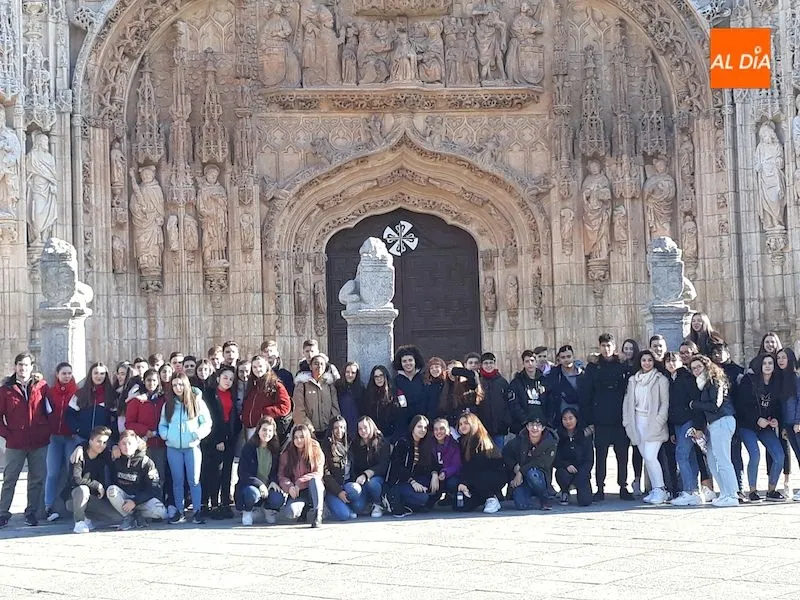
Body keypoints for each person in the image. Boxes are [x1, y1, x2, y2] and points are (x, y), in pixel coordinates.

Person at [579, 333, 633, 501]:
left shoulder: (623, 365)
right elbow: (586, 394)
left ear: (614, 347)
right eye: (603, 346)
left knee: (622, 455)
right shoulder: (593, 367)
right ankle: (600, 487)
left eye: (609, 345)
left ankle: (623, 486)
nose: (606, 349)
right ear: (599, 347)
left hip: (619, 418)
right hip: (600, 418)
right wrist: (588, 420)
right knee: (600, 455)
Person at [0, 353, 51, 527]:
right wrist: (7, 433)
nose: (23, 368)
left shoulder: (42, 386)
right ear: (15, 366)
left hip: (38, 440)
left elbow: (50, 411)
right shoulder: (6, 389)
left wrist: (47, 431)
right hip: (16, 441)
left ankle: (32, 512)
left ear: (32, 367)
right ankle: (3, 513)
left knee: (37, 478)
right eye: (20, 365)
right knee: (10, 478)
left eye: (26, 365)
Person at [158, 373, 213, 524]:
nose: (178, 388)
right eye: (174, 385)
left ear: (186, 385)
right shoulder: (168, 404)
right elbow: (162, 424)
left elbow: (206, 422)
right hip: (173, 448)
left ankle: (196, 511)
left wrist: (198, 434)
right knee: (177, 480)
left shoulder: (196, 402)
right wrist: (166, 435)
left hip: (192, 447)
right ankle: (179, 511)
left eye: (180, 384)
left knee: (194, 480)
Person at [687, 355, 739, 507]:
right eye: (693, 368)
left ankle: (732, 495)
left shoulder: (715, 380)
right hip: (714, 424)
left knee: (723, 459)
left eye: (698, 367)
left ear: (706, 366)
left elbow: (715, 405)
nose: (696, 370)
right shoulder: (702, 383)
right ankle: (724, 493)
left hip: (723, 420)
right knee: (711, 460)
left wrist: (694, 404)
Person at [735, 353, 786, 501]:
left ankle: (772, 490)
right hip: (747, 425)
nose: (768, 366)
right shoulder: (748, 380)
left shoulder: (776, 383)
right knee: (755, 455)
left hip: (766, 426)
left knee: (779, 455)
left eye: (771, 363)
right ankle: (752, 491)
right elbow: (741, 405)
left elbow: (777, 406)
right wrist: (757, 419)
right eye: (765, 363)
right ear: (760, 365)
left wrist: (775, 419)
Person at [622, 350, 670, 505]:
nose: (647, 363)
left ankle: (662, 489)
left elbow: (665, 404)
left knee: (651, 456)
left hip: (654, 423)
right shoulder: (633, 380)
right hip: (637, 422)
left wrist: (659, 421)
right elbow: (627, 401)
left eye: (650, 360)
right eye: (644, 360)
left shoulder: (660, 379)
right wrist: (627, 422)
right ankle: (656, 489)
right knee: (646, 458)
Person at [664, 352, 703, 506]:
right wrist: (673, 431)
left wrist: (698, 426)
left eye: (674, 360)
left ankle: (688, 491)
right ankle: (693, 490)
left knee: (681, 455)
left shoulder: (686, 378)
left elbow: (695, 403)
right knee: (690, 456)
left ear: (680, 362)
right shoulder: (670, 379)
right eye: (668, 361)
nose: (671, 363)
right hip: (678, 423)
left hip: (689, 421)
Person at [107, 430, 167, 529]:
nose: (127, 447)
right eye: (123, 444)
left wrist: (135, 501)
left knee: (161, 512)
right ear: (119, 445)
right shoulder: (115, 457)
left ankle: (136, 514)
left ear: (136, 444)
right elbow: (99, 447)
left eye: (130, 443)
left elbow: (154, 487)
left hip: (140, 500)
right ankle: (130, 517)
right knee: (111, 490)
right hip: (123, 498)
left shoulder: (146, 462)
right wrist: (113, 447)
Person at [64, 425, 119, 533]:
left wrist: (115, 446)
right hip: (74, 496)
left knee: (117, 518)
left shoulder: (104, 454)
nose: (101, 445)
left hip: (94, 498)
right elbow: (76, 480)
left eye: (104, 442)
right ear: (90, 441)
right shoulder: (79, 455)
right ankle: (79, 522)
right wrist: (97, 485)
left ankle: (88, 518)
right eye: (99, 441)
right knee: (83, 489)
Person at [709, 339, 746, 499]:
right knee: (720, 455)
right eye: (714, 353)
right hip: (720, 416)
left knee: (735, 453)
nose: (717, 355)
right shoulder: (711, 372)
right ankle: (727, 489)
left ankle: (739, 487)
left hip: (734, 415)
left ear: (728, 353)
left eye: (720, 351)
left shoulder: (737, 371)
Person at [201, 366, 238, 519]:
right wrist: (217, 440)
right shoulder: (209, 395)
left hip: (229, 439)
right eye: (225, 378)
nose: (227, 381)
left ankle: (225, 504)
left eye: (230, 379)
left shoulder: (232, 395)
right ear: (217, 378)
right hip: (214, 440)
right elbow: (211, 418)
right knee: (214, 473)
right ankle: (213, 504)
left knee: (227, 473)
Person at [124, 369, 167, 500]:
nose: (151, 383)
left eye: (154, 380)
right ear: (144, 381)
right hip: (142, 444)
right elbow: (129, 423)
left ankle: (159, 504)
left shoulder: (163, 399)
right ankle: (142, 505)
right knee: (143, 476)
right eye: (148, 380)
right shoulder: (137, 400)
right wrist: (144, 431)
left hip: (160, 444)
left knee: (159, 475)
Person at [235, 416, 285, 526]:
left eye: (270, 430)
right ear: (258, 430)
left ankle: (267, 509)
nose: (267, 433)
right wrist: (259, 484)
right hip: (250, 486)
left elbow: (277, 470)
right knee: (252, 494)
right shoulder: (249, 448)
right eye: (264, 430)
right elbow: (243, 473)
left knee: (278, 498)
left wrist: (273, 480)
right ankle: (248, 511)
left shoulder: (275, 449)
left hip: (268, 486)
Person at [44, 362, 79, 521]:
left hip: (70, 437)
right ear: (57, 374)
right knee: (53, 473)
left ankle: (74, 505)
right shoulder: (50, 392)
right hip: (54, 438)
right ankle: (48, 506)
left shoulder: (77, 392)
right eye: (63, 373)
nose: (67, 376)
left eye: (69, 373)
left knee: (71, 471)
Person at [455, 412, 506, 513]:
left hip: (492, 477)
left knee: (477, 477)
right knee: (460, 506)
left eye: (466, 423)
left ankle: (491, 498)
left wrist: (463, 482)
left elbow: (475, 466)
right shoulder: (462, 441)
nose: (462, 426)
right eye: (460, 424)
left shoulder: (480, 440)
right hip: (474, 479)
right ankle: (481, 498)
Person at [503, 416, 558, 511]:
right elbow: (505, 454)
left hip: (539, 477)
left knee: (532, 474)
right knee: (521, 504)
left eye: (538, 425)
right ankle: (535, 503)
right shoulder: (519, 440)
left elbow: (543, 463)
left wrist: (521, 471)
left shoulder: (550, 442)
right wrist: (514, 466)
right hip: (522, 480)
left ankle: (544, 498)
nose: (535, 428)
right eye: (531, 425)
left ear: (543, 428)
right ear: (527, 427)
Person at [386, 415, 436, 517]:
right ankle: (394, 499)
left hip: (417, 478)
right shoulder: (403, 442)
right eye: (419, 426)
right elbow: (397, 467)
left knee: (435, 486)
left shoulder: (425, 443)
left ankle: (410, 505)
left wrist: (434, 474)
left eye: (425, 427)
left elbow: (432, 464)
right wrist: (412, 482)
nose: (422, 430)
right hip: (401, 481)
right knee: (423, 498)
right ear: (413, 427)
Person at [278, 424, 325, 528]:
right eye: (296, 437)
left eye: (302, 437)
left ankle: (318, 514)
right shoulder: (287, 452)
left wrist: (299, 482)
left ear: (307, 437)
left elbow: (319, 472)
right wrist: (289, 486)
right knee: (290, 513)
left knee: (315, 480)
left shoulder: (315, 448)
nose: (299, 440)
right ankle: (304, 509)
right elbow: (282, 475)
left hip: (313, 488)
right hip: (297, 491)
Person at [242, 356, 292, 442]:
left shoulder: (275, 385)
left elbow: (285, 407)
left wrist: (264, 413)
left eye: (260, 366)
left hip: (266, 430)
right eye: (254, 367)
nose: (257, 369)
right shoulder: (252, 385)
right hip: (249, 429)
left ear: (266, 367)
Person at [351, 416, 390, 518]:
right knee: (358, 507)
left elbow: (383, 466)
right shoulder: (355, 444)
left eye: (365, 427)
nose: (363, 431)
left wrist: (366, 474)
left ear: (371, 427)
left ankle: (378, 504)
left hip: (378, 479)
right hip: (361, 482)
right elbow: (354, 466)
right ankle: (368, 502)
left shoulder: (382, 442)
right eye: (360, 429)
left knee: (372, 483)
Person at [321, 416, 359, 521]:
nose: (339, 431)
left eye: (342, 427)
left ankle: (350, 505)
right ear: (331, 429)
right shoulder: (326, 447)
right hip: (332, 489)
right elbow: (325, 473)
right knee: (345, 515)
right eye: (336, 428)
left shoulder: (350, 444)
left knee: (356, 492)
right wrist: (338, 492)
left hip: (347, 484)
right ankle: (331, 506)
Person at [554, 407, 593, 507]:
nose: (568, 421)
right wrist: (566, 465)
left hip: (581, 470)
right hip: (566, 470)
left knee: (585, 501)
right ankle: (565, 491)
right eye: (565, 419)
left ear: (576, 419)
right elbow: (556, 457)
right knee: (561, 473)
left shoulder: (585, 435)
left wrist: (582, 472)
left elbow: (589, 459)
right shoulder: (558, 435)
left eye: (571, 418)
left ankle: (578, 486)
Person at [293, 354, 340, 436]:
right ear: (310, 366)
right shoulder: (302, 385)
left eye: (322, 364)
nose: (319, 366)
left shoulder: (329, 385)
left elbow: (335, 408)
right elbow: (298, 411)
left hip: (327, 432)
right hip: (309, 432)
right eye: (316, 363)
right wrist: (310, 430)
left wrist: (331, 428)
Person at [67, 362, 114, 444]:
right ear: (91, 375)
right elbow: (70, 414)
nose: (99, 376)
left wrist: (108, 432)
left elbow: (115, 418)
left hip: (103, 440)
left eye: (102, 373)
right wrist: (77, 429)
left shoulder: (111, 395)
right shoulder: (80, 394)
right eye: (96, 373)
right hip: (82, 439)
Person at [507, 350, 549, 434]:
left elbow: (550, 402)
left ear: (536, 362)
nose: (530, 363)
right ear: (523, 363)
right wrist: (525, 421)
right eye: (527, 361)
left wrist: (546, 421)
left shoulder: (545, 381)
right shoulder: (516, 382)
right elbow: (514, 405)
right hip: (522, 427)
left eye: (532, 361)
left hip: (542, 426)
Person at [777, 348, 800, 501]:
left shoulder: (796, 378)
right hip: (788, 423)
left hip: (796, 422)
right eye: (778, 358)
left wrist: (798, 421)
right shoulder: (780, 379)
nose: (780, 360)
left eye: (783, 357)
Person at [362, 365, 407, 443]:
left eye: (381, 375)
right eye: (376, 377)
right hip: (374, 438)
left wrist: (395, 437)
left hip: (392, 437)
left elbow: (403, 414)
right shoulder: (368, 395)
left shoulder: (398, 392)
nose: (379, 379)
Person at [476, 352, 511, 450]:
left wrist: (506, 421)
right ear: (482, 365)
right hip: (482, 427)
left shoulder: (502, 382)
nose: (488, 365)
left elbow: (508, 403)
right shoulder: (478, 381)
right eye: (486, 363)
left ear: (494, 364)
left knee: (499, 456)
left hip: (499, 428)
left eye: (491, 363)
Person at [545, 345, 584, 425]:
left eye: (569, 356)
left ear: (573, 357)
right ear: (559, 359)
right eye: (563, 357)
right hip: (559, 420)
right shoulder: (553, 375)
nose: (566, 360)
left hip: (581, 418)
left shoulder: (583, 374)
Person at [438, 360, 483, 430]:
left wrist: (456, 371)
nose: (451, 374)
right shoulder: (446, 387)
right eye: (448, 371)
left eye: (453, 371)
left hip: (467, 426)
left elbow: (473, 375)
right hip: (452, 427)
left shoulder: (468, 385)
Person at [430, 418, 462, 505]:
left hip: (449, 475)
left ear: (448, 430)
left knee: (452, 483)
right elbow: (429, 462)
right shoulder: (430, 444)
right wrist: (434, 473)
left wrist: (445, 472)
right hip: (435, 475)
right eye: (436, 429)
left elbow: (456, 465)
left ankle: (451, 496)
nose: (439, 432)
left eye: (442, 428)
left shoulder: (454, 444)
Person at [392, 345, 427, 423]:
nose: (408, 363)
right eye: (404, 361)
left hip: (423, 422)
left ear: (415, 361)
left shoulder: (424, 378)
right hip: (403, 422)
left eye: (410, 360)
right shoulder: (396, 381)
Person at [334, 361, 365, 434]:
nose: (350, 375)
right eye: (347, 372)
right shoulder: (337, 385)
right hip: (340, 423)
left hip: (355, 423)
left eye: (353, 373)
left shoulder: (360, 387)